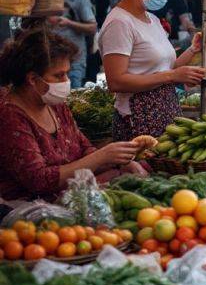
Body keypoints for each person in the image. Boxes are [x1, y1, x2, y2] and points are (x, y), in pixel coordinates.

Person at [0, 29, 144, 202]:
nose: (66, 81)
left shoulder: (56, 106)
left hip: (70, 196)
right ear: (32, 79)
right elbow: (39, 180)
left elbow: (84, 148)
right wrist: (101, 156)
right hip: (30, 210)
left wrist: (119, 161)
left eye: (67, 73)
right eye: (59, 75)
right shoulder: (9, 116)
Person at [99, 0, 206, 141]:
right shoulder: (119, 22)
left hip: (165, 111)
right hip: (138, 117)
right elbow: (116, 81)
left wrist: (193, 50)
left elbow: (166, 67)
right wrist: (171, 76)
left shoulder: (151, 19)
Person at [50, 0, 97, 89]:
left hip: (74, 60)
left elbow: (92, 28)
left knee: (72, 98)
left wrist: (68, 23)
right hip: (49, 60)